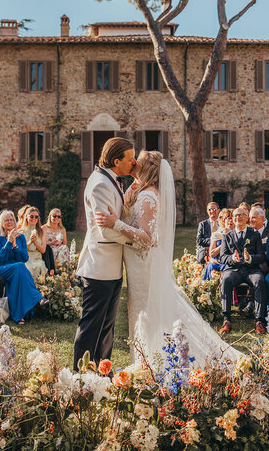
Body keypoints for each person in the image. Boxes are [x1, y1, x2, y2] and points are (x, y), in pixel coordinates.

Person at [96, 150, 240, 367]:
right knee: (142, 313)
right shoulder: (139, 189)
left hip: (144, 264)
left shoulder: (148, 196)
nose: (134, 162)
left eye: (139, 160)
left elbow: (148, 238)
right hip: (136, 263)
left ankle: (154, 362)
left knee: (148, 312)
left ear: (148, 168)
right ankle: (147, 361)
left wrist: (115, 223)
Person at [73, 137, 138, 371]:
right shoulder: (100, 184)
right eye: (130, 159)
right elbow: (106, 231)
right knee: (92, 326)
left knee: (106, 328)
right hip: (99, 266)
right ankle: (80, 375)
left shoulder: (111, 180)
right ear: (116, 160)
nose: (134, 163)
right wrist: (135, 241)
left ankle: (102, 372)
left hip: (110, 266)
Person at [0, 210, 48, 324]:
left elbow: (24, 258)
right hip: (2, 268)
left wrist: (15, 245)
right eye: (6, 220)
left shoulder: (21, 237)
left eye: (11, 219)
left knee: (18, 277)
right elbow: (2, 258)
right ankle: (38, 298)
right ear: (2, 223)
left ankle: (19, 316)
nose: (9, 222)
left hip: (17, 269)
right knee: (20, 267)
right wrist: (8, 242)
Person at [219, 207, 266, 334]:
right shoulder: (227, 236)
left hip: (251, 270)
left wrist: (250, 258)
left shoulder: (255, 234)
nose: (238, 217)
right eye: (235, 215)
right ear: (233, 219)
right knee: (226, 279)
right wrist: (232, 258)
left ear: (247, 218)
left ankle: (259, 320)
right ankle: (227, 319)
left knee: (260, 280)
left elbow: (261, 256)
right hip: (234, 270)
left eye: (241, 215)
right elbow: (222, 257)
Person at [202, 208, 234, 281]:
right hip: (217, 262)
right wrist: (224, 243)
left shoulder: (237, 233)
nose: (231, 220)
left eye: (232, 218)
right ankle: (211, 289)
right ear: (223, 220)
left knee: (227, 268)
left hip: (230, 262)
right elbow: (212, 254)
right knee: (211, 266)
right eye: (228, 218)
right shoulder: (217, 234)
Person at [20, 207, 48, 283]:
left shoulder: (42, 231)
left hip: (37, 258)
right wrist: (30, 242)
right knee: (27, 269)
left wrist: (35, 242)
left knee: (39, 267)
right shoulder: (21, 231)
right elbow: (21, 250)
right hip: (26, 258)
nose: (34, 218)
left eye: (36, 217)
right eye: (31, 216)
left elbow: (43, 250)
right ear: (26, 217)